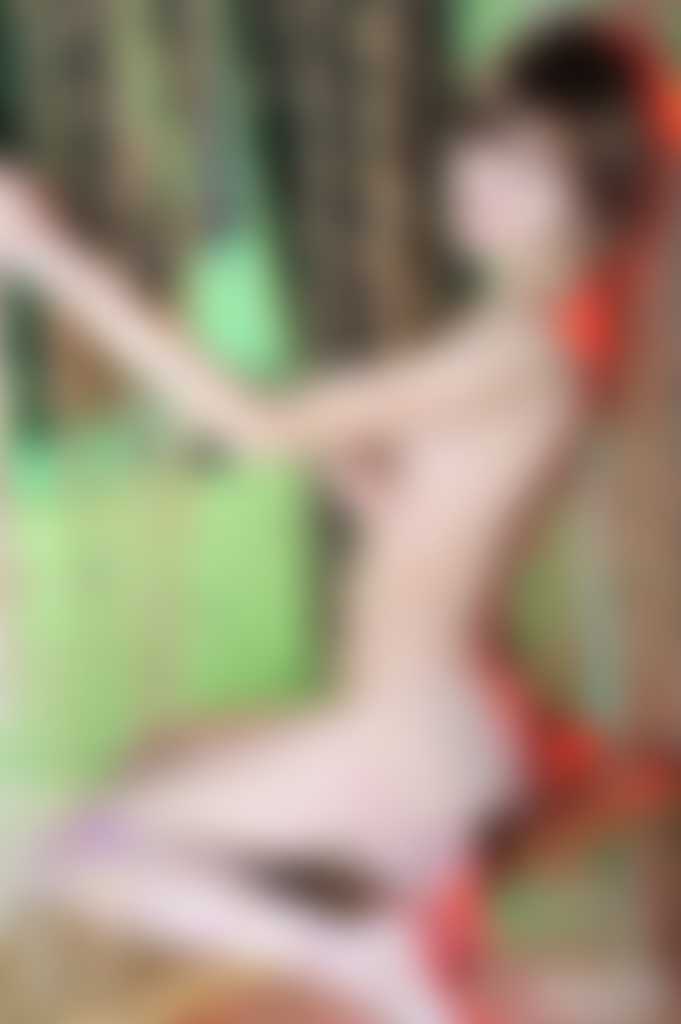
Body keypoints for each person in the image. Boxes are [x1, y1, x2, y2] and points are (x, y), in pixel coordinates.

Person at [5, 15, 679, 1023]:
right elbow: (407, 510)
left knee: (77, 847)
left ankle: (369, 955)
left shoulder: (516, 348)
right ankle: (380, 958)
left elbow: (253, 425)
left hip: (413, 743)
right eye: (481, 139)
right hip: (438, 731)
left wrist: (54, 258)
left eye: (526, 167)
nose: (474, 176)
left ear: (592, 197)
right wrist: (331, 443)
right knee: (152, 770)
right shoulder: (533, 338)